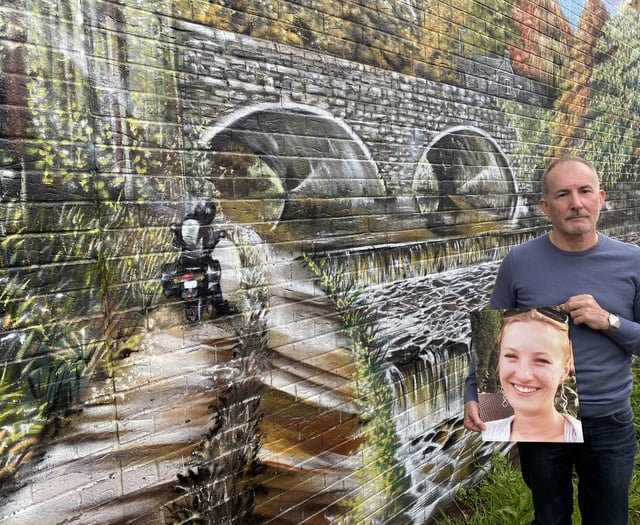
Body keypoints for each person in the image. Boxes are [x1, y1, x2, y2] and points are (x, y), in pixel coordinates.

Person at [464, 156, 640, 525]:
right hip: (542, 419)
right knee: (549, 517)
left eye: (585, 191)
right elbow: (493, 335)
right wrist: (474, 395)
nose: (576, 203)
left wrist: (609, 321)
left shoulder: (633, 261)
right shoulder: (519, 262)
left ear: (601, 197)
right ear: (546, 207)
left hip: (609, 420)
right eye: (563, 194)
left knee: (609, 519)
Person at [480, 307, 583, 443]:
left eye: (542, 360)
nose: (523, 375)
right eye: (511, 356)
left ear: (564, 370)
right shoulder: (484, 434)